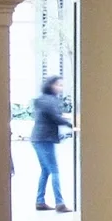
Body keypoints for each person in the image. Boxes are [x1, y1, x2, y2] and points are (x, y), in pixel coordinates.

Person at [31, 75, 73, 213]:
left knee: (45, 170)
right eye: (58, 85)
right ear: (51, 85)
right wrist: (71, 124)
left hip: (39, 138)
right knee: (54, 170)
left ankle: (40, 201)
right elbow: (56, 117)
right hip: (45, 138)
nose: (60, 88)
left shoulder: (42, 99)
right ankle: (59, 203)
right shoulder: (49, 101)